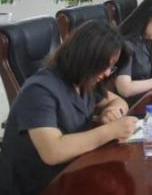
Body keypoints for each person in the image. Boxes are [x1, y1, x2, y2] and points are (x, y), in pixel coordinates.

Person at [0, 21, 139, 195]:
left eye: (111, 67)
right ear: (85, 58)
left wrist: (111, 112)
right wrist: (111, 130)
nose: (106, 73)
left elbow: (119, 101)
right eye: (105, 66)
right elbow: (53, 151)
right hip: (37, 186)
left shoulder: (83, 81)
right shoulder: (39, 90)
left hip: (72, 172)